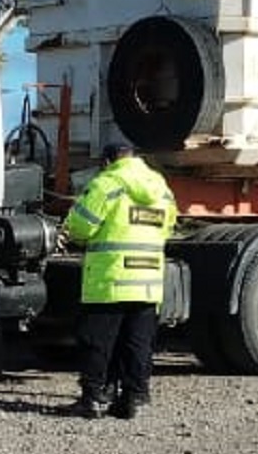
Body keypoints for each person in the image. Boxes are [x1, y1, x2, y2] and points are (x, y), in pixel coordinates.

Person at [61, 140, 178, 419]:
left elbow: (80, 226)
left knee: (97, 341)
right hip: (147, 280)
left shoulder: (107, 183)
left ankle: (93, 398)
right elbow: (169, 226)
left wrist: (72, 232)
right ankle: (134, 398)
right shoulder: (159, 186)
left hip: (110, 279)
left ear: (108, 159)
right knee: (138, 342)